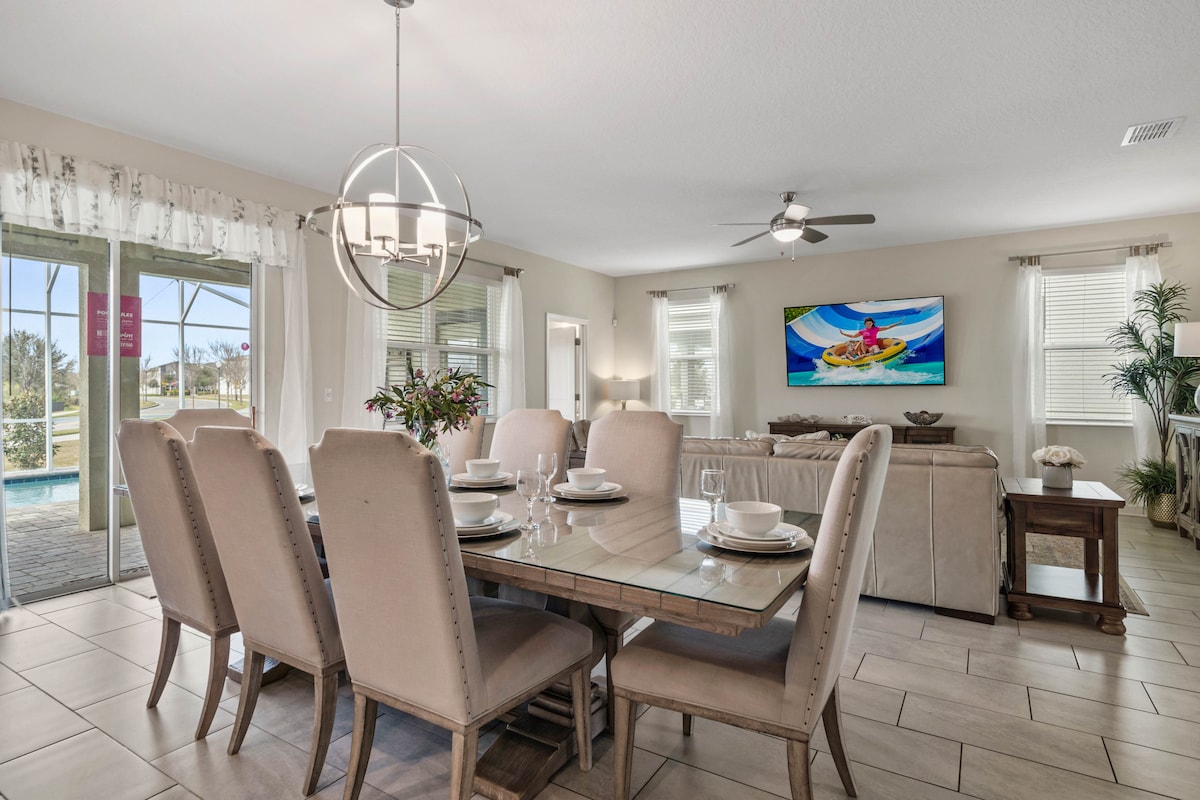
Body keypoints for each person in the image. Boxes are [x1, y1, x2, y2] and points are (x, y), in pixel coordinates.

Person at [839, 316, 903, 356]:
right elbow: (853, 336)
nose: (868, 324)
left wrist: (898, 323)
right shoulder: (862, 331)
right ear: (865, 324)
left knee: (875, 346)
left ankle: (877, 356)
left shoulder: (876, 329)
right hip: (864, 348)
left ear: (872, 323)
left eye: (870, 323)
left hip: (871, 348)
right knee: (862, 341)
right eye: (867, 323)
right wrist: (843, 334)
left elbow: (887, 327)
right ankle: (864, 354)